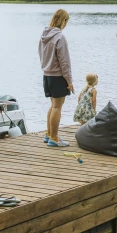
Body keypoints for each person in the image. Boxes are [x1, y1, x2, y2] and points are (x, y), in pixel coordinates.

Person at [38, 8, 74, 147]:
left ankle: (49, 134)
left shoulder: (44, 35)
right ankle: (54, 138)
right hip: (58, 77)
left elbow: (41, 54)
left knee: (53, 106)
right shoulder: (60, 37)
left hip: (46, 75)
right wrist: (69, 81)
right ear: (63, 21)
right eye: (66, 21)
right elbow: (64, 61)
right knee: (57, 107)